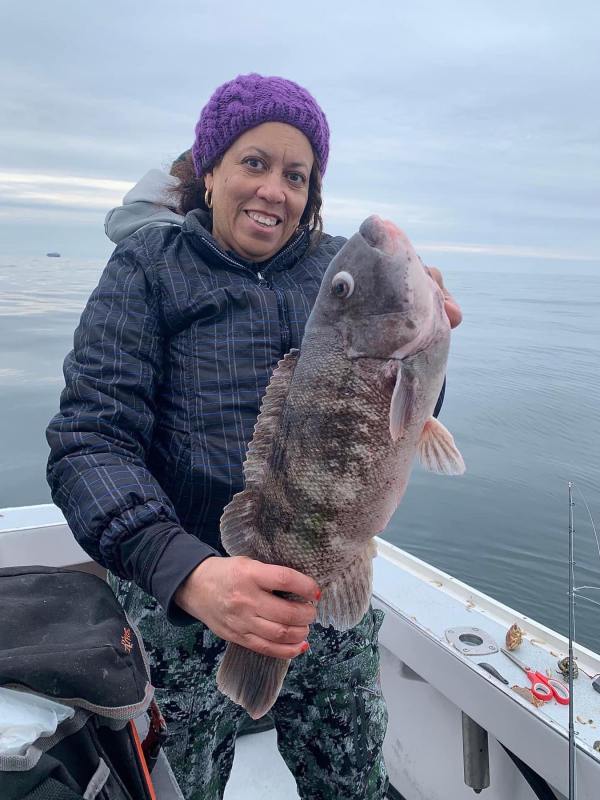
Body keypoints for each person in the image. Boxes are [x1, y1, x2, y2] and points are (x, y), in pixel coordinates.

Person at [47, 73, 462, 800]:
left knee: (353, 779)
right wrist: (189, 574)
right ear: (209, 172)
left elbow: (388, 423)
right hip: (184, 598)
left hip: (326, 584)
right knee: (182, 785)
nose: (275, 190)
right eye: (254, 163)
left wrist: (426, 362)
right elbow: (89, 440)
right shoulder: (147, 271)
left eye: (296, 175)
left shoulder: (335, 270)